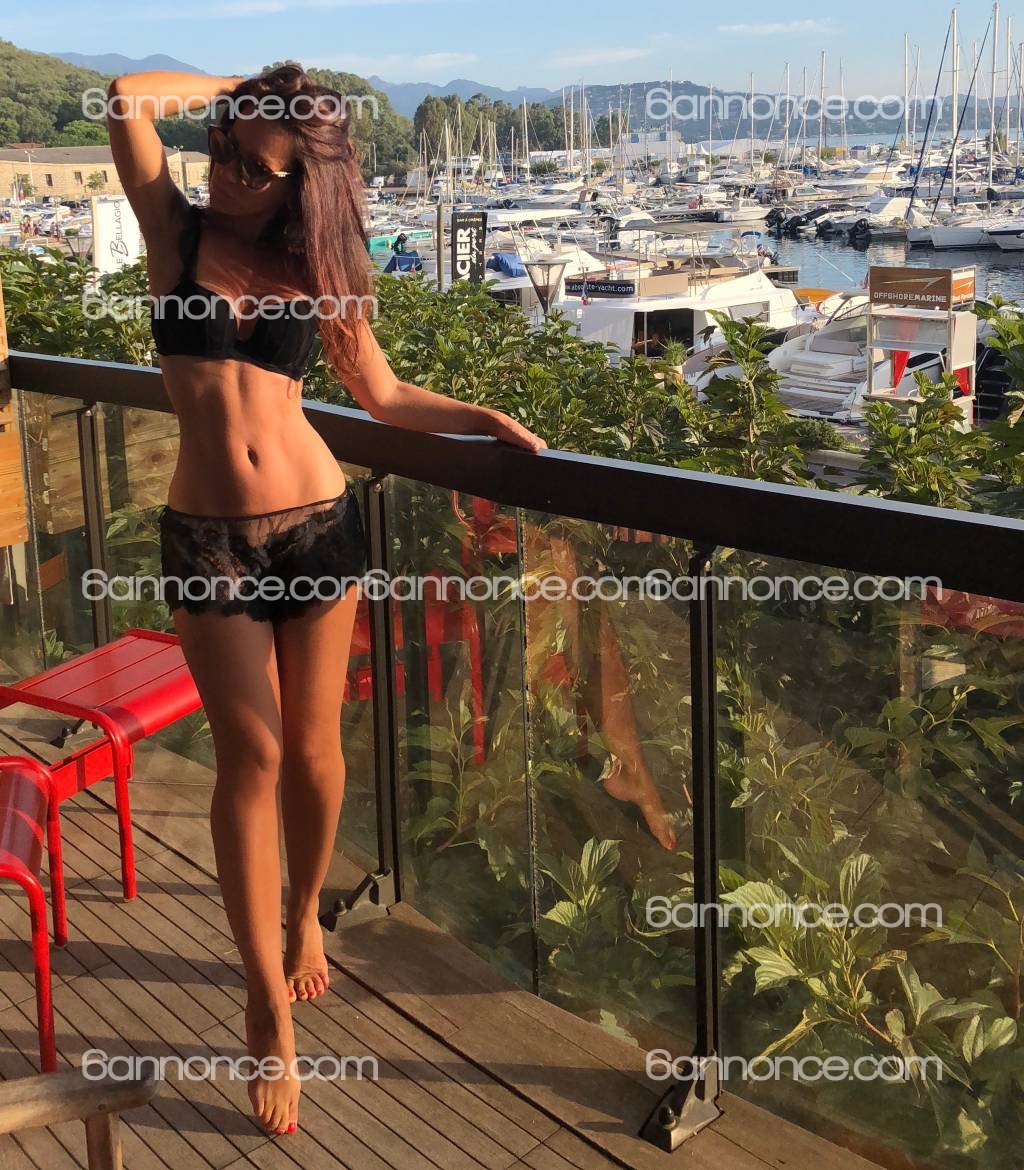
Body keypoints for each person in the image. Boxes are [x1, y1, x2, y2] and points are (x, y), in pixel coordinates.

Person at [106, 64, 546, 1139]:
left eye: (257, 169)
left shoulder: (319, 267)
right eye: (224, 151)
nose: (229, 175)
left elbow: (379, 395)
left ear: (306, 181)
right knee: (250, 757)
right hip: (210, 538)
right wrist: (254, 92)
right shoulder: (173, 231)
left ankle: (305, 913)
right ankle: (265, 1003)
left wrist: (482, 419)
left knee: (313, 751)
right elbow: (125, 98)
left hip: (318, 521)